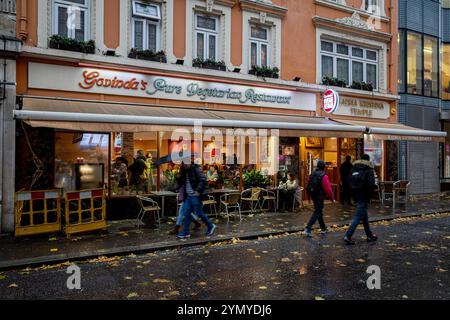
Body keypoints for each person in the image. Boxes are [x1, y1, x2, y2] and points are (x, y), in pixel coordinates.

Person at [175, 159, 217, 239]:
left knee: (199, 213)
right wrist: (178, 178)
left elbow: (203, 180)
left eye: (187, 163)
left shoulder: (196, 169)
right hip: (187, 196)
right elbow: (180, 183)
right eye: (184, 164)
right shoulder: (183, 172)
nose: (186, 165)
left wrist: (198, 190)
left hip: (195, 195)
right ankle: (186, 232)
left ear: (190, 163)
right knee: (186, 213)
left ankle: (210, 226)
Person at [343, 154, 378, 245]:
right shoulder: (369, 169)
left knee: (364, 215)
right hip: (364, 195)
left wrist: (352, 194)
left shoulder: (354, 167)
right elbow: (371, 184)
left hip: (355, 194)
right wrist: (370, 196)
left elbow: (348, 180)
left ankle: (369, 235)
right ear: (368, 160)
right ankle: (348, 235)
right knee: (358, 216)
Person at [303, 160, 335, 237]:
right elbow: (328, 189)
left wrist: (309, 196)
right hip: (320, 196)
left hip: (313, 195)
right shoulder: (324, 176)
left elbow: (309, 185)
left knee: (319, 212)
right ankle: (308, 228)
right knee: (317, 212)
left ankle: (323, 228)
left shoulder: (312, 174)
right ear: (324, 167)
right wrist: (332, 198)